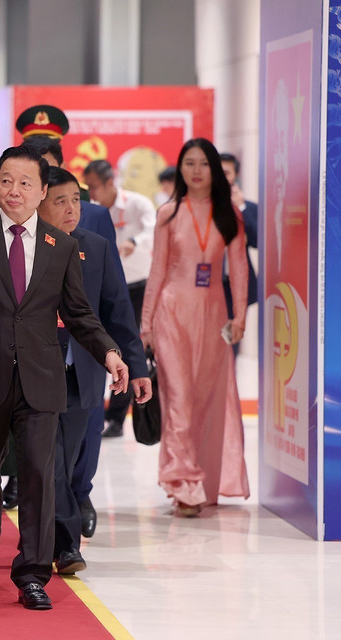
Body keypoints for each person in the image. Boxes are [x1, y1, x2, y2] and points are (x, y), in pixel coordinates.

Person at [0, 144, 129, 610]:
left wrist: (111, 353)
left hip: (41, 381)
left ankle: (33, 573)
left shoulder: (63, 247)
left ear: (42, 191)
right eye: (6, 180)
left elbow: (80, 314)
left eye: (25, 183)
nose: (14, 190)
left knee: (41, 476)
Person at [37, 167, 151, 574]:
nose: (71, 210)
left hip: (80, 368)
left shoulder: (97, 247)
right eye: (60, 201)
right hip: (32, 369)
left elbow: (118, 312)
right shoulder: (23, 245)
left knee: (63, 464)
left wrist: (136, 367)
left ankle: (49, 538)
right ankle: (66, 547)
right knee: (48, 457)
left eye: (76, 200)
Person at [140, 138, 250, 517]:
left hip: (215, 316)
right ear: (181, 168)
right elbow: (156, 271)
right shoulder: (168, 213)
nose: (197, 170)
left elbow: (237, 269)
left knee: (207, 397)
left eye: (204, 163)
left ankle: (204, 479)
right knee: (180, 398)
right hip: (171, 313)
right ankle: (183, 484)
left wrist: (239, 317)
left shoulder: (229, 214)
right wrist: (146, 323)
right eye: (189, 163)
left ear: (214, 169)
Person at [81, 159, 156, 439]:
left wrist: (134, 242)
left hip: (135, 287)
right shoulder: (90, 210)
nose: (91, 193)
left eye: (94, 187)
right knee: (101, 346)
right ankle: (97, 411)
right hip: (102, 288)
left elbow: (153, 228)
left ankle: (116, 417)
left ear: (110, 181)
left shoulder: (137, 204)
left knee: (126, 344)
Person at [219, 152, 259, 347]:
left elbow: (258, 240)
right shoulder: (198, 207)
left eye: (226, 172)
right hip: (204, 284)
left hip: (235, 285)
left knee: (230, 343)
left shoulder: (248, 207)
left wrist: (241, 207)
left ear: (236, 176)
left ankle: (228, 378)